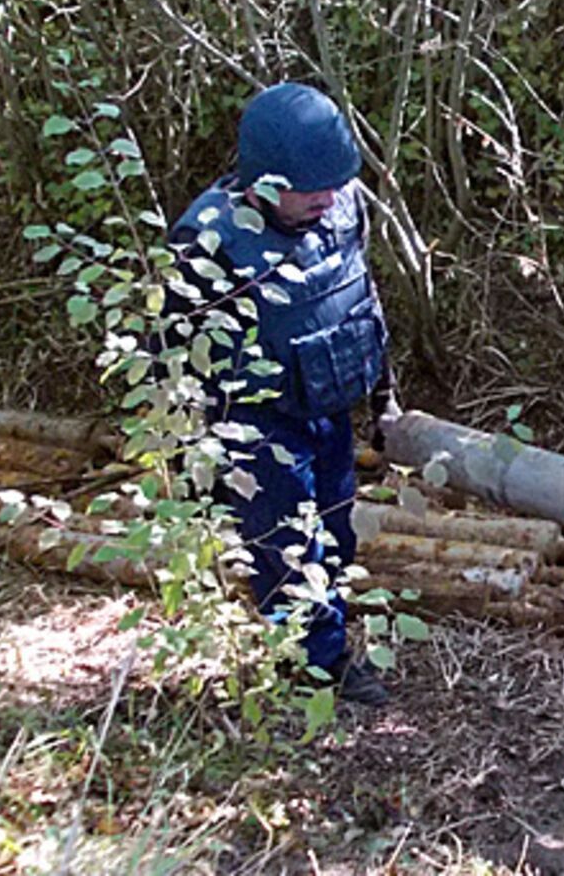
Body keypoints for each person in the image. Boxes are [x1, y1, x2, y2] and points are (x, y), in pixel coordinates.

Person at [165, 82, 398, 706]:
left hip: (328, 403)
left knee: (337, 531)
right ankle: (317, 664)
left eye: (334, 182)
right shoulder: (210, 239)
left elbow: (360, 294)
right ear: (265, 179)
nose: (327, 197)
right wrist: (198, 451)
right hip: (259, 425)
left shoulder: (341, 204)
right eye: (310, 187)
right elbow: (179, 353)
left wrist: (384, 397)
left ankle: (330, 634)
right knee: (286, 548)